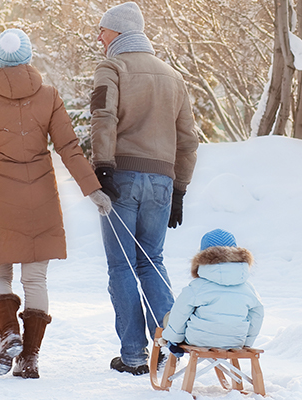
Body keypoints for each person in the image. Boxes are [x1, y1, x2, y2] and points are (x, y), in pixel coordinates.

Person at [0, 28, 113, 379]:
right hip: (40, 198)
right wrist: (93, 190)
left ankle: (9, 332)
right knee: (35, 278)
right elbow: (69, 148)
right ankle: (29, 357)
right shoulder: (49, 96)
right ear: (28, 56)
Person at [89, 2, 200, 375]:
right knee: (151, 260)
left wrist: (102, 166)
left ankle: (135, 355)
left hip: (121, 176)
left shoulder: (112, 67)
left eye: (102, 30)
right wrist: (180, 189)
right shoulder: (173, 76)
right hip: (162, 181)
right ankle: (172, 346)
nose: (99, 37)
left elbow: (103, 116)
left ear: (118, 32)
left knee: (121, 264)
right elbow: (188, 140)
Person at [161, 229, 264, 353]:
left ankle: (172, 344)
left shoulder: (197, 286)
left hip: (198, 339)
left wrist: (173, 339)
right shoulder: (248, 287)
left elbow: (180, 312)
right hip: (235, 341)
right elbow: (257, 314)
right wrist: (247, 343)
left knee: (172, 316)